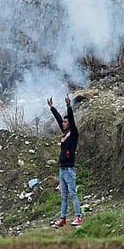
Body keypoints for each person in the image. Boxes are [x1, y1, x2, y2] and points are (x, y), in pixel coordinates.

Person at [49, 95, 82, 228]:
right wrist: (52, 108)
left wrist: (69, 106)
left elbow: (72, 120)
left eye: (65, 122)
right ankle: (63, 219)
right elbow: (58, 120)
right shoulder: (65, 133)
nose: (63, 123)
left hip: (69, 169)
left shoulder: (73, 134)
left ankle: (78, 217)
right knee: (64, 196)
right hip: (62, 169)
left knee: (73, 193)